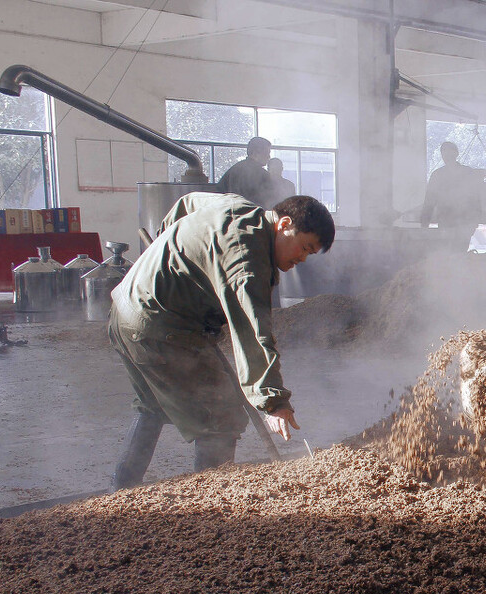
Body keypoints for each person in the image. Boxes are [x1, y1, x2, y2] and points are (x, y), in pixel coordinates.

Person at [108, 192, 335, 490]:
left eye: (310, 254)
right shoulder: (248, 262)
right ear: (284, 224)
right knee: (222, 418)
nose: (302, 258)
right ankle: (213, 511)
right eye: (304, 247)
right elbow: (253, 332)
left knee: (153, 405)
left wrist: (173, 248)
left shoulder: (235, 206)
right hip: (161, 328)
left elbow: (185, 204)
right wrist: (273, 401)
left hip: (125, 312)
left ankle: (120, 489)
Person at [420, 141, 486, 251]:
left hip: (462, 223)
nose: (446, 155)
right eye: (444, 152)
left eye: (449, 152)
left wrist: (474, 222)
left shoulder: (466, 173)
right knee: (450, 254)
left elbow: (476, 198)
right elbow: (429, 200)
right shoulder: (439, 175)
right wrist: (424, 223)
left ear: (456, 154)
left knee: (456, 255)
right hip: (448, 222)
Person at [217, 136, 276, 207]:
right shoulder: (263, 175)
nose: (268, 156)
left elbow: (219, 193)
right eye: (267, 152)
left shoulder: (233, 170)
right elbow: (270, 201)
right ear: (256, 153)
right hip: (253, 215)